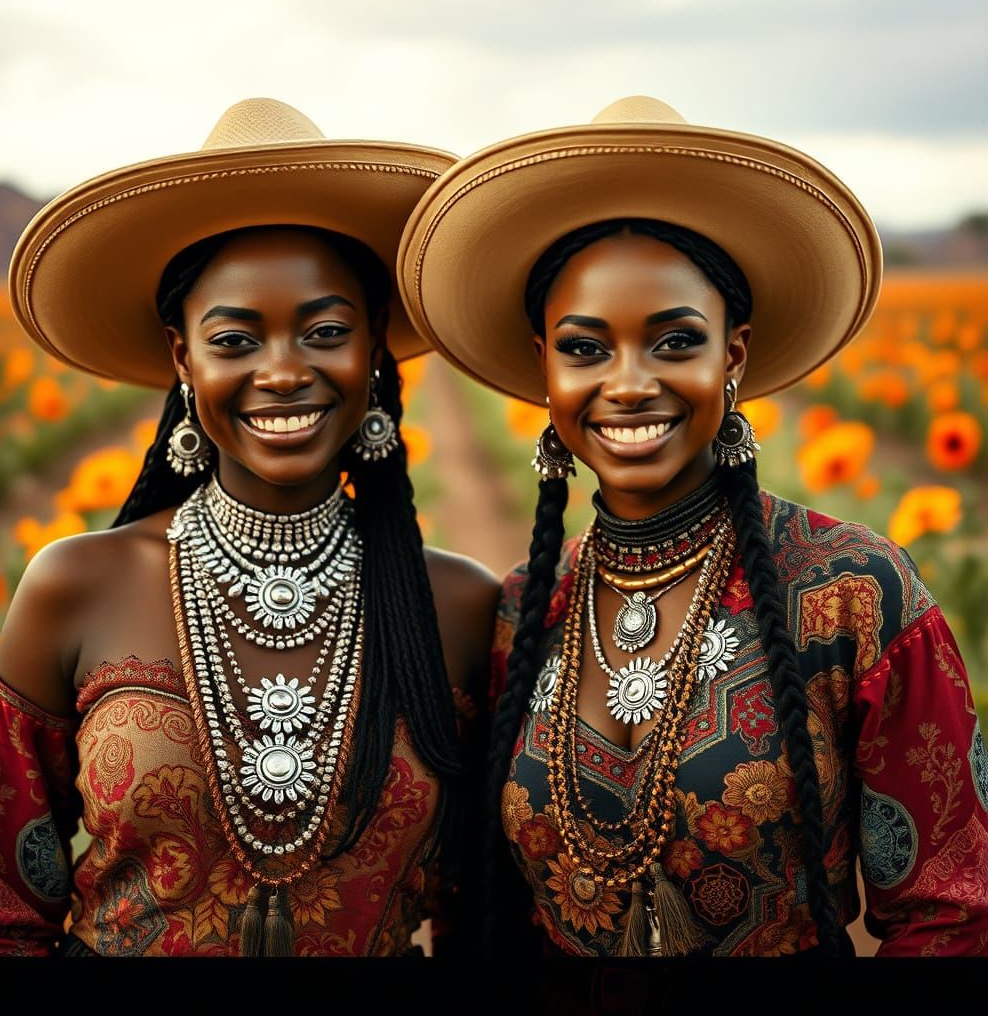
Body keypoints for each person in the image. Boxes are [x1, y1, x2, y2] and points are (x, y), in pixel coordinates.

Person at [398, 96, 988, 956]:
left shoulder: (853, 592)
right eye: (585, 348)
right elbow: (481, 912)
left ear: (732, 355)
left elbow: (952, 914)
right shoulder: (524, 611)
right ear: (544, 366)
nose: (630, 383)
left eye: (674, 342)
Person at [0, 98, 498, 956]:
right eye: (236, 340)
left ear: (373, 349)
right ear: (184, 358)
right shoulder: (78, 587)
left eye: (326, 331)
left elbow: (485, 919)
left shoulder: (462, 607)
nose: (282, 371)